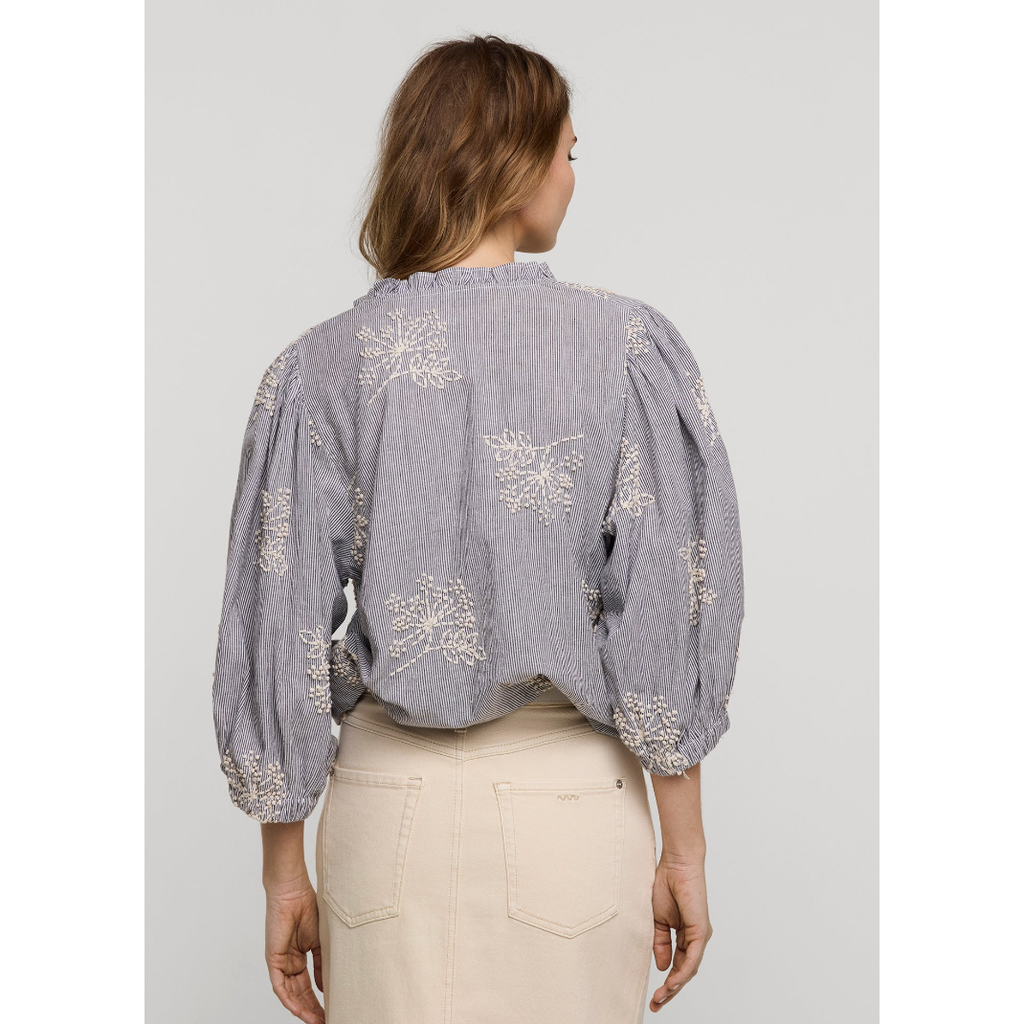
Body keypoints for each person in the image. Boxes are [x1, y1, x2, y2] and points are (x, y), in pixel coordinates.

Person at [211, 32, 745, 1024]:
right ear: (514, 160)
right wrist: (686, 850)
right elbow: (662, 620)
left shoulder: (317, 369)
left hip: (383, 817)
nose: (572, 176)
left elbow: (276, 629)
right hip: (569, 816)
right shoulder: (628, 348)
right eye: (567, 152)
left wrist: (283, 874)